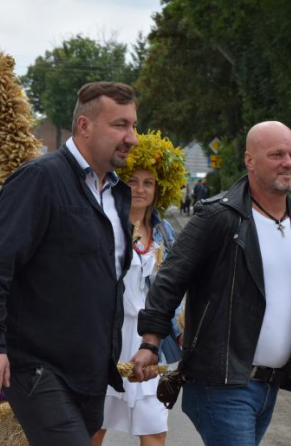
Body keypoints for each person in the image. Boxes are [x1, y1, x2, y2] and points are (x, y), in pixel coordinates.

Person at [132, 121, 291, 446]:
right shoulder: (217, 218)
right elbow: (170, 279)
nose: (288, 162)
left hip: (270, 384)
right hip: (219, 383)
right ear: (250, 160)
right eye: (277, 154)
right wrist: (150, 343)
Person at [0, 81, 139, 445]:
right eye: (120, 125)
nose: (132, 137)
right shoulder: (40, 179)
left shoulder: (117, 193)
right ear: (84, 126)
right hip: (38, 368)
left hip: (90, 371)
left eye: (133, 125)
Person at [92, 131, 186, 446]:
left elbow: (174, 286)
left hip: (150, 339)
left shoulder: (164, 230)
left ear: (160, 188)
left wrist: (182, 328)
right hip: (108, 337)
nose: (141, 189)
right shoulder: (104, 225)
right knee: (93, 428)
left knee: (155, 430)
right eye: (133, 181)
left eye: (149, 183)